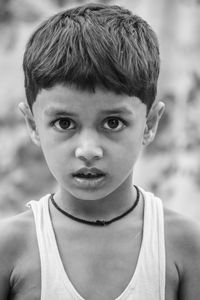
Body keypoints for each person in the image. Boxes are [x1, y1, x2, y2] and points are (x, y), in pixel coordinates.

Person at [0, 3, 200, 300]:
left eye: (113, 122)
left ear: (149, 124)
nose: (88, 150)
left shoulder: (183, 244)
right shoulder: (11, 246)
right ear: (32, 124)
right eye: (64, 122)